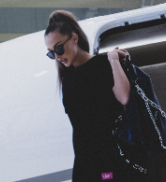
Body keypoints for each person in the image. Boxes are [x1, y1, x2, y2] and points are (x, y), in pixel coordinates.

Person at [44, 10, 133, 182]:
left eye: (59, 48)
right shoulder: (67, 80)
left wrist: (113, 59)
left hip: (109, 163)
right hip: (84, 167)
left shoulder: (102, 64)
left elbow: (124, 97)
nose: (57, 56)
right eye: (51, 53)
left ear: (74, 39)